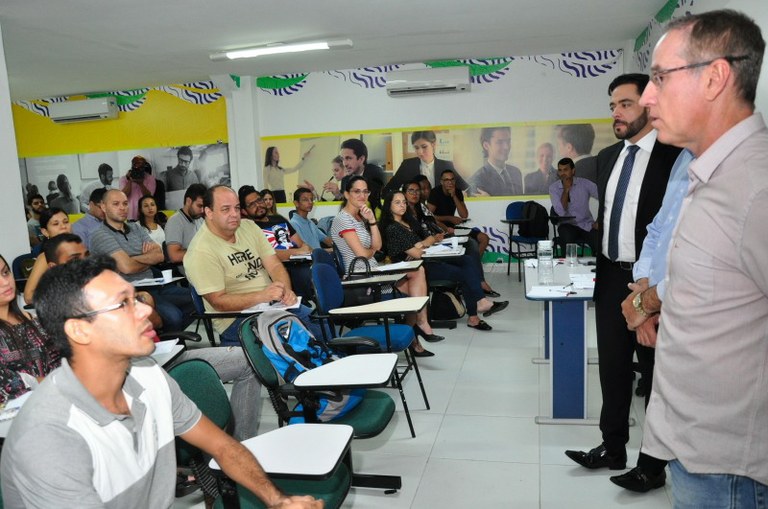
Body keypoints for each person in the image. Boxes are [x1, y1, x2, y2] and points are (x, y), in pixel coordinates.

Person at [0, 256, 321, 508]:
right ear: (79, 330)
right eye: (123, 304)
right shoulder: (50, 436)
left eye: (136, 297)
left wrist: (278, 500)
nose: (145, 312)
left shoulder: (147, 373)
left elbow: (223, 446)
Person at [637, 10, 768, 506]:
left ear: (715, 77)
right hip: (695, 453)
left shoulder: (754, 188)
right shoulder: (707, 173)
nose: (650, 96)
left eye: (659, 78)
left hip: (731, 469)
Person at [43, 232, 265, 442]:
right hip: (133, 376)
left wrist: (139, 303)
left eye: (86, 256)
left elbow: (157, 321)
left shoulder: (110, 286)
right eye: (74, 260)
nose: (83, 264)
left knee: (246, 361)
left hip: (161, 357)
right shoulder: (66, 312)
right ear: (53, 268)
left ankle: (242, 441)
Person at [564, 73, 681, 472]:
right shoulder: (609, 158)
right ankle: (611, 448)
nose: (616, 112)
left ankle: (653, 462)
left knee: (654, 374)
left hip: (651, 281)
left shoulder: (674, 157)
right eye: (612, 105)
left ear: (649, 105)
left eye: (625, 104)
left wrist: (655, 289)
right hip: (612, 275)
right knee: (613, 367)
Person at [183, 185, 323, 346]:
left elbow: (275, 266)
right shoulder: (200, 251)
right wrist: (262, 296)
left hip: (271, 305)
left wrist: (285, 291)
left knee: (322, 325)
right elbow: (218, 302)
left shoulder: (248, 227)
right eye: (225, 209)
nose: (234, 214)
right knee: (300, 339)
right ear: (209, 212)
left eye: (236, 208)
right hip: (236, 319)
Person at [330, 176, 441, 356]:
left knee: (417, 275)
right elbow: (362, 254)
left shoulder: (359, 218)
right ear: (346, 194)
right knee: (415, 281)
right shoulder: (343, 219)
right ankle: (417, 330)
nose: (362, 195)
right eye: (357, 191)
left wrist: (372, 220)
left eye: (365, 191)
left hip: (374, 272)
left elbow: (378, 246)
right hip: (362, 279)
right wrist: (371, 250)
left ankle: (415, 331)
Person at [380, 191, 508, 331]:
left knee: (466, 260)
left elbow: (425, 242)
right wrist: (424, 243)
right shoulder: (392, 228)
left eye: (404, 202)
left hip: (428, 260)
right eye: (397, 202)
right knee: (463, 273)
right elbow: (417, 252)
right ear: (388, 205)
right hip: (415, 270)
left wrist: (424, 243)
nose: (402, 205)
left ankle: (480, 305)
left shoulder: (409, 221)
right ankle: (475, 313)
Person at [90, 189, 195, 333]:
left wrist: (131, 259)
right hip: (130, 293)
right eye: (116, 204)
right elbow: (127, 268)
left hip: (154, 283)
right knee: (173, 317)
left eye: (125, 203)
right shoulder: (100, 235)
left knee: (197, 298)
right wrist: (144, 259)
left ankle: (169, 336)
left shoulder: (135, 228)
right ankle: (168, 340)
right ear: (103, 207)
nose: (122, 208)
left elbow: (159, 255)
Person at [406, 178, 500, 298]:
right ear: (441, 182)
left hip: (444, 234)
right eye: (413, 190)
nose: (420, 193)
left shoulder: (421, 206)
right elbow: (425, 227)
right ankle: (477, 284)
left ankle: (478, 281)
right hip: (431, 244)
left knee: (478, 241)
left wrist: (454, 197)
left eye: (419, 190)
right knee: (469, 248)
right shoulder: (411, 208)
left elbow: (461, 215)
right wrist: (448, 221)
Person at [0, 253, 61, 406]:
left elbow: (59, 360)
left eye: (5, 272)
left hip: (58, 402)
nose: (5, 282)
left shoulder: (32, 319)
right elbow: (6, 385)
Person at [239, 186, 313, 299]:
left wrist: (304, 250)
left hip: (299, 262)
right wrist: (297, 252)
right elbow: (266, 255)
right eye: (252, 204)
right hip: (280, 268)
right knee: (303, 274)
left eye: (259, 200)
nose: (258, 205)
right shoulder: (249, 228)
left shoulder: (279, 219)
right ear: (244, 211)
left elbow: (301, 243)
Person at [428, 169, 492, 265]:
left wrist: (454, 196)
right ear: (441, 182)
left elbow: (464, 215)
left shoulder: (457, 192)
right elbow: (428, 217)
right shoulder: (435, 193)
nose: (450, 182)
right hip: (439, 228)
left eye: (452, 179)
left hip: (453, 228)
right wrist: (449, 218)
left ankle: (474, 265)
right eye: (446, 180)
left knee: (484, 238)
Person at [384, 130, 469, 194]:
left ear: (433, 144)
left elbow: (465, 188)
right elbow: (388, 190)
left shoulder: (446, 165)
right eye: (416, 148)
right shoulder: (407, 165)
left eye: (424, 147)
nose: (420, 152)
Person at [548, 157, 599, 254]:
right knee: (566, 240)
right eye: (560, 170)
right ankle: (566, 267)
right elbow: (561, 213)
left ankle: (597, 268)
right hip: (567, 225)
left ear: (573, 171)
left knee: (599, 241)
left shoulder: (585, 184)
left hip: (586, 224)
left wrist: (599, 220)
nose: (563, 173)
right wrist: (566, 190)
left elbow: (605, 199)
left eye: (566, 170)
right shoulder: (553, 188)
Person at [23, 207, 72, 304]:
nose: (63, 226)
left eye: (66, 222)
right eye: (56, 224)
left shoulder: (80, 251)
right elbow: (28, 296)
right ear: (45, 232)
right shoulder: (45, 257)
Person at [469, 127, 523, 196]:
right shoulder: (477, 180)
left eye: (508, 141)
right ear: (486, 145)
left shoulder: (516, 172)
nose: (506, 147)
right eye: (500, 142)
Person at [339, 139, 386, 213]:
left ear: (361, 159)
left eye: (348, 158)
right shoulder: (345, 180)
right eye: (342, 159)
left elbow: (373, 203)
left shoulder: (376, 174)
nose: (345, 164)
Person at [165, 183, 206, 266]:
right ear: (188, 201)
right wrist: (203, 252)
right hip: (187, 270)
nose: (202, 210)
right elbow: (174, 256)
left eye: (204, 207)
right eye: (199, 206)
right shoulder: (175, 221)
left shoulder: (200, 219)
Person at [119, 155, 157, 220]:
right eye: (135, 165)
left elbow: (149, 197)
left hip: (145, 216)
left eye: (140, 166)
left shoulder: (150, 179)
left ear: (144, 166)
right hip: (129, 216)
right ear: (132, 166)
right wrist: (130, 180)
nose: (138, 168)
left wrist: (141, 184)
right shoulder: (124, 179)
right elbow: (123, 196)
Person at [72, 187, 108, 251]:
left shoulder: (112, 222)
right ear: (91, 204)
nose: (104, 211)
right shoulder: (79, 227)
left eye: (107, 208)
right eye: (100, 207)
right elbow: (81, 254)